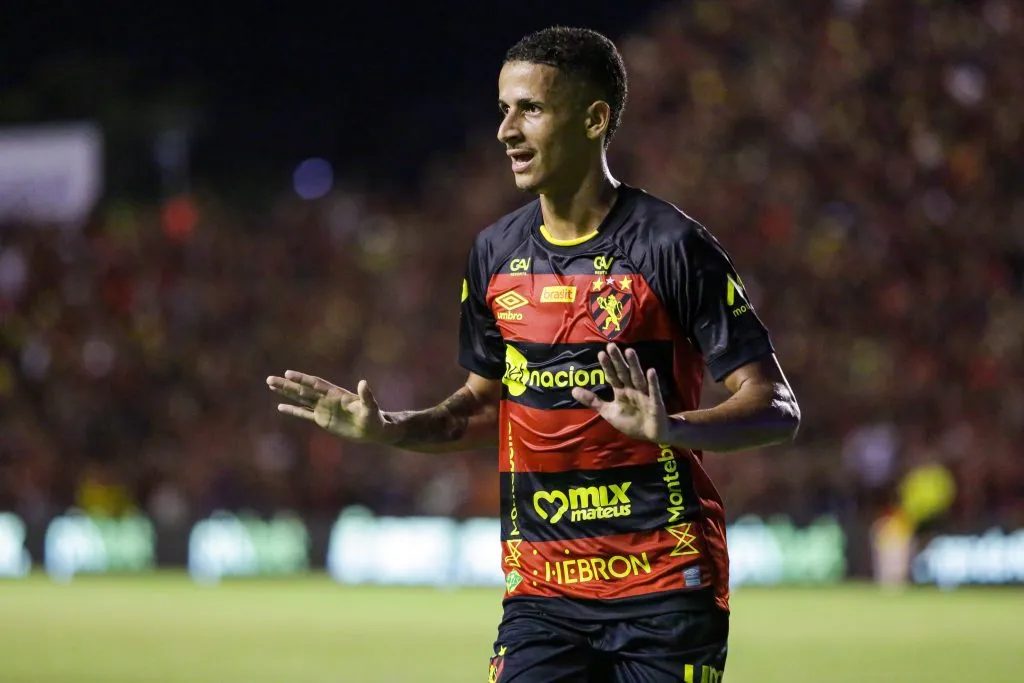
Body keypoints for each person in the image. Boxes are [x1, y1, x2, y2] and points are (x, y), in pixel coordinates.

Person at [268, 26, 800, 683]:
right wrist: (388, 428)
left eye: (531, 109)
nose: (506, 131)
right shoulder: (493, 253)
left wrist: (673, 428)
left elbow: (776, 406)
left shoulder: (671, 246)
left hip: (665, 586)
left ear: (594, 118)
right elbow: (485, 408)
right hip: (542, 595)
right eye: (503, 110)